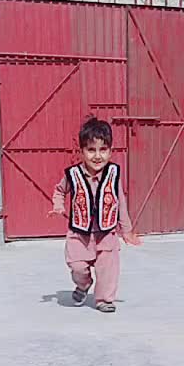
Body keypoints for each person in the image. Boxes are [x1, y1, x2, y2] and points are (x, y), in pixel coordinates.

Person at [50, 116, 140, 313]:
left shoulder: (113, 174)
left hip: (106, 233)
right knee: (77, 266)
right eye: (91, 150)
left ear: (110, 151)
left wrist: (127, 231)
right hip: (79, 235)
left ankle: (104, 299)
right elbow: (59, 190)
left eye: (103, 149)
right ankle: (83, 284)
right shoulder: (72, 174)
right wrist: (58, 206)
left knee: (108, 269)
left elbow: (120, 202)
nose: (97, 156)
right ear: (82, 151)